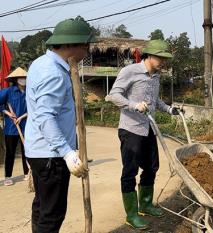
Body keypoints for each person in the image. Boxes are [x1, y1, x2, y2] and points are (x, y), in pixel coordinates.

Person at [25, 16, 95, 233]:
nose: (88, 51)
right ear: (70, 45)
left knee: (41, 207)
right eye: (86, 46)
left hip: (39, 152)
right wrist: (67, 153)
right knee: (52, 214)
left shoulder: (40, 63)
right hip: (51, 156)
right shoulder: (54, 73)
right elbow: (46, 117)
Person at [105, 39, 180, 230]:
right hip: (131, 129)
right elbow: (113, 95)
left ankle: (146, 205)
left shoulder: (156, 76)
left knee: (152, 166)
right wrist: (133, 105)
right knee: (130, 171)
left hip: (149, 129)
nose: (163, 61)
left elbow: (154, 100)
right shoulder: (130, 71)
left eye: (165, 58)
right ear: (149, 55)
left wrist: (169, 109)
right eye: (160, 57)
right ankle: (131, 214)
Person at [0, 67, 28, 186]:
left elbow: (33, 108)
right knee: (10, 152)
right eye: (21, 78)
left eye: (25, 78)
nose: (23, 80)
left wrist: (22, 117)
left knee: (26, 150)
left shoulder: (29, 92)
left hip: (26, 126)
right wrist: (8, 113)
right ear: (16, 79)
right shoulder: (8, 91)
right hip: (11, 127)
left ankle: (27, 172)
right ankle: (8, 176)